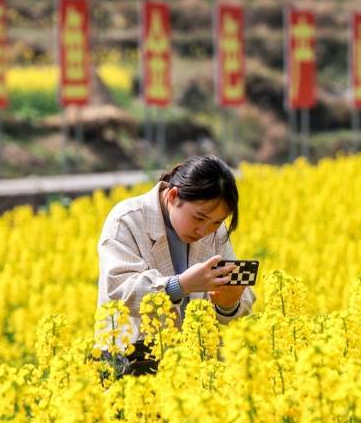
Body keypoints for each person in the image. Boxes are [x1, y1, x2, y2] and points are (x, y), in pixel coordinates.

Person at [96, 155, 255, 369]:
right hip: (133, 363)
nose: (204, 231)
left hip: (196, 365)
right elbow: (120, 291)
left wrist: (228, 304)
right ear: (172, 196)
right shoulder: (127, 220)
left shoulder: (215, 232)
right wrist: (181, 285)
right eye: (198, 218)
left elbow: (240, 306)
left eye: (217, 222)